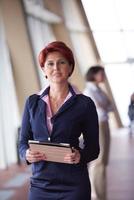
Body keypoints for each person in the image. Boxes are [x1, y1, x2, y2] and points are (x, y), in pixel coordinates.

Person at [19, 41, 100, 200]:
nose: (56, 68)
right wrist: (26, 154)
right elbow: (22, 142)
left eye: (61, 62)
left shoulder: (84, 104)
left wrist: (80, 156)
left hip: (74, 184)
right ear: (43, 69)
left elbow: (94, 148)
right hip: (40, 184)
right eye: (50, 63)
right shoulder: (32, 102)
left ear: (70, 67)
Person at [83, 66, 113, 200]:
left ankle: (101, 194)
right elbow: (100, 108)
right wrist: (104, 105)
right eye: (101, 73)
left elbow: (109, 106)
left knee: (104, 161)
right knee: (98, 161)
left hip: (105, 124)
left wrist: (104, 105)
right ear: (93, 75)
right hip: (96, 125)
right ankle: (96, 195)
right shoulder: (89, 91)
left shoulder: (99, 90)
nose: (104, 76)